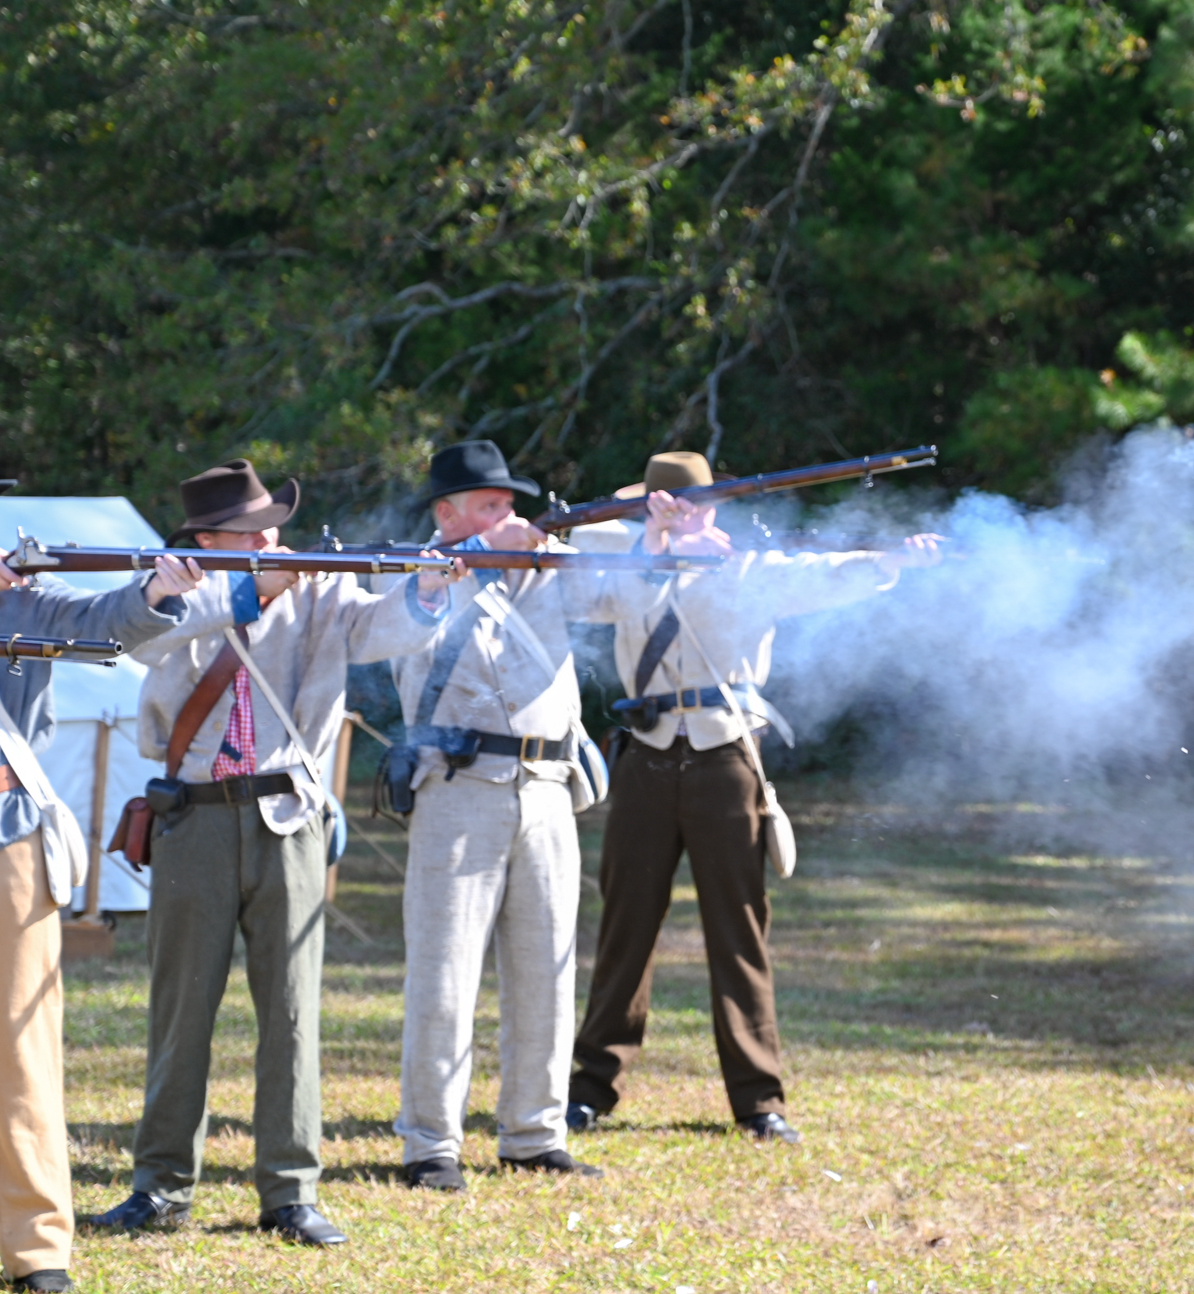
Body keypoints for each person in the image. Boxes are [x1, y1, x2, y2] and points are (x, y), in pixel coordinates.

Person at [90, 460, 461, 1247]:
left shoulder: (318, 586)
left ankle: (290, 1190)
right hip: (194, 815)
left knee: (291, 1013)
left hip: (288, 812)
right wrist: (251, 590)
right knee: (181, 1010)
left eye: (272, 527)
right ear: (205, 540)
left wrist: (428, 591)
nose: (269, 539)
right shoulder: (168, 591)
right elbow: (146, 645)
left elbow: (379, 629)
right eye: (251, 531)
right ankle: (161, 1184)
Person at [0, 440, 199, 1294]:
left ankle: (39, 1248)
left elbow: (102, 620)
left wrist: (157, 592)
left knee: (23, 1048)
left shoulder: (20, 594)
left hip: (2, 829)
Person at [567, 451, 941, 1144]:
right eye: (673, 505)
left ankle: (758, 1100)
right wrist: (653, 544)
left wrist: (892, 558)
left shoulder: (745, 568)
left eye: (696, 505)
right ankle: (590, 1088)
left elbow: (824, 575)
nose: (689, 515)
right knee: (625, 929)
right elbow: (580, 590)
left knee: (739, 933)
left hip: (724, 753)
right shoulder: (624, 563)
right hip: (646, 755)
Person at [391, 440, 615, 1190]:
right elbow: (414, 628)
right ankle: (430, 1145)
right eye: (489, 505)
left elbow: (621, 595)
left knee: (548, 968)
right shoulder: (420, 573)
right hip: (461, 784)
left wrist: (644, 532)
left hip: (548, 783)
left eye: (510, 503)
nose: (508, 514)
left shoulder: (544, 567)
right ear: (447, 513)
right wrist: (490, 553)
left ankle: (534, 1132)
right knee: (444, 976)